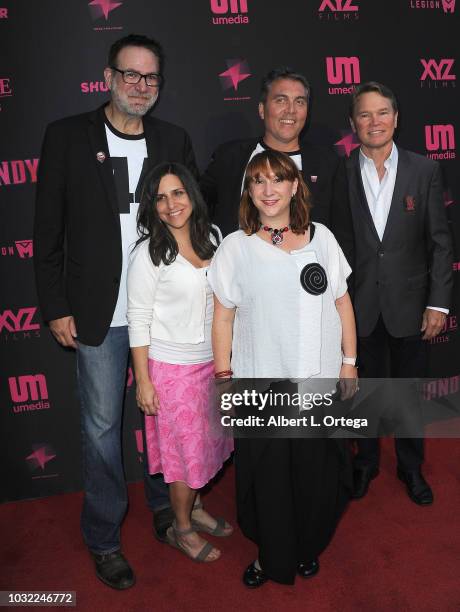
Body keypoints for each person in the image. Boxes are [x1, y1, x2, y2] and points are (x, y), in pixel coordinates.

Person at [33, 34, 198, 589]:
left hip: (166, 311)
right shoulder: (67, 137)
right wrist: (55, 305)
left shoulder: (173, 138)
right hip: (98, 313)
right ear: (107, 76)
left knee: (164, 417)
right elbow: (46, 230)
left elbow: (193, 222)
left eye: (150, 78)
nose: (140, 86)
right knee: (103, 428)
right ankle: (104, 538)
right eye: (130, 74)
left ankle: (164, 508)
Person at [208, 150, 357, 587]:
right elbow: (223, 317)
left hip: (319, 382)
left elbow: (343, 302)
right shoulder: (236, 247)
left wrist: (349, 363)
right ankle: (271, 556)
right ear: (248, 191)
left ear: (295, 185)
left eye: (278, 179)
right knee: (270, 480)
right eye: (258, 181)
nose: (269, 190)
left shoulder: (322, 238)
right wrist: (223, 377)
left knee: (316, 475)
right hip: (263, 387)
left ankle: (307, 546)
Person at [332, 81, 453, 504]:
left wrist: (438, 302)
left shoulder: (424, 170)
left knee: (407, 396)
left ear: (396, 119)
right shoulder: (340, 171)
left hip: (411, 306)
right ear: (353, 123)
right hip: (358, 306)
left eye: (382, 112)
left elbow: (440, 240)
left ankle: (410, 467)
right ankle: (364, 464)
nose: (374, 121)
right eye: (364, 114)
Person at [127, 162, 233, 563]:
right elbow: (137, 319)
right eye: (160, 197)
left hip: (214, 364)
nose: (171, 204)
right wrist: (143, 381)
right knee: (186, 458)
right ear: (151, 205)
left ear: (192, 195)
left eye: (178, 193)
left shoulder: (213, 236)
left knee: (207, 449)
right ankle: (181, 528)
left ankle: (197, 508)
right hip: (171, 371)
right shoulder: (148, 253)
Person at [200, 67, 345, 237]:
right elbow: (195, 208)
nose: (291, 110)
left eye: (299, 102)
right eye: (281, 100)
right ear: (262, 109)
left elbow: (342, 232)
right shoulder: (229, 157)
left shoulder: (327, 163)